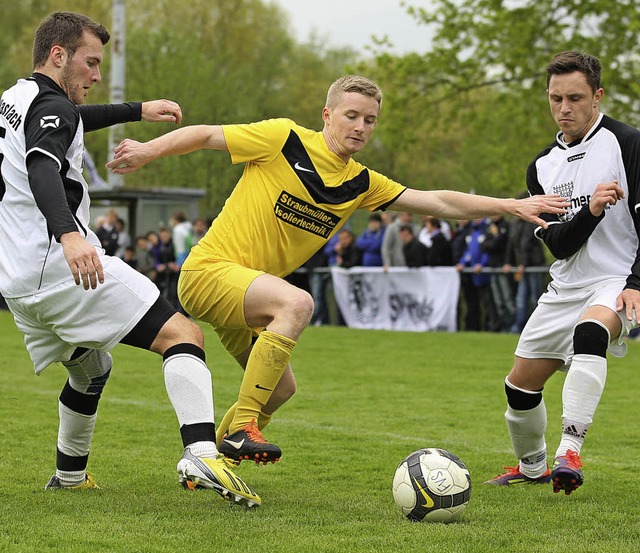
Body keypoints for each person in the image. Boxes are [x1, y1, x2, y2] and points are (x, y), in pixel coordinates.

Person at [106, 74, 567, 466]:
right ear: (327, 116)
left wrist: (509, 205)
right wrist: (147, 151)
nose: (361, 127)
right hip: (209, 274)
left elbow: (439, 200)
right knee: (298, 301)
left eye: (370, 120)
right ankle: (244, 427)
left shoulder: (361, 182)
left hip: (247, 296)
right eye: (352, 116)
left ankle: (211, 461)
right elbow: (205, 134)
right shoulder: (284, 138)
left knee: (281, 389)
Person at [0, 11, 259, 507]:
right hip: (60, 267)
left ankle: (69, 478)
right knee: (183, 334)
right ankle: (202, 453)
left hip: (17, 282)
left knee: (91, 369)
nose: (96, 76)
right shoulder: (51, 108)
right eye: (90, 63)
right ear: (59, 56)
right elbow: (42, 166)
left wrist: (139, 109)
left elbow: (72, 118)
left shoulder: (18, 98)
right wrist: (68, 236)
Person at [485, 51, 640, 495]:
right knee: (519, 387)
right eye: (556, 99)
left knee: (590, 334)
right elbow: (558, 242)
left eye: (575, 97)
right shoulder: (541, 166)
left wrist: (637, 284)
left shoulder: (628, 144)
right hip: (566, 284)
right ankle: (532, 466)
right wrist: (590, 210)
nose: (565, 108)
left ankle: (569, 451)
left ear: (598, 96)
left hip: (616, 279)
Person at [482, 215, 516, 332]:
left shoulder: (506, 226)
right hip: (493, 267)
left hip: (503, 267)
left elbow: (500, 244)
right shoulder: (490, 227)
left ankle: (513, 326)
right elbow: (485, 245)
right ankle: (504, 326)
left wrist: (492, 241)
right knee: (498, 300)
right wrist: (493, 241)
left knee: (508, 298)